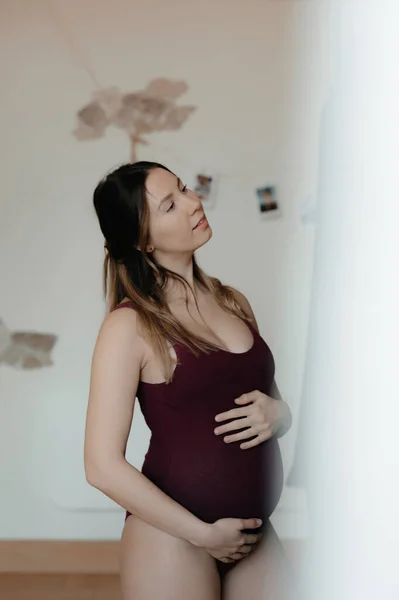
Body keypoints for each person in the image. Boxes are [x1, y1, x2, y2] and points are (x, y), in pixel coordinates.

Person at [84, 161, 295, 599]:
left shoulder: (232, 301)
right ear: (142, 239)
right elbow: (101, 465)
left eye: (184, 189)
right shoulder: (129, 327)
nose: (193, 203)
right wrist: (202, 534)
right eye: (170, 205)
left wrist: (282, 414)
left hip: (254, 533)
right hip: (173, 537)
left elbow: (264, 402)